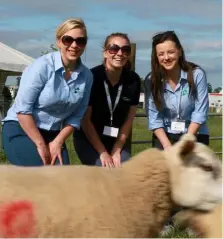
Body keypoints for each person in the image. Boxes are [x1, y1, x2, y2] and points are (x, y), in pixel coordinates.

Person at [1, 18, 93, 166]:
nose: (74, 45)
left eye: (80, 41)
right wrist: (41, 145)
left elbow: (77, 116)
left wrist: (57, 142)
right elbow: (23, 110)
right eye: (68, 39)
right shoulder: (41, 67)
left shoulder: (87, 76)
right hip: (22, 129)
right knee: (41, 175)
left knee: (63, 178)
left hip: (53, 134)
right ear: (58, 41)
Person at [73, 32, 141, 167]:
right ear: (105, 53)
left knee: (124, 170)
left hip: (117, 140)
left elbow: (129, 120)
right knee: (102, 169)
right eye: (114, 48)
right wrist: (103, 152)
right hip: (89, 139)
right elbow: (85, 121)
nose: (120, 53)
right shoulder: (91, 77)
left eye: (125, 49)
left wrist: (116, 150)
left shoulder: (134, 80)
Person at [145, 31, 209, 150]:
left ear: (179, 51)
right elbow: (154, 117)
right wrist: (167, 145)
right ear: (156, 56)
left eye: (170, 52)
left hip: (194, 135)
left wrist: (186, 142)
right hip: (165, 137)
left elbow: (200, 112)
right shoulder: (151, 80)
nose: (166, 57)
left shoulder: (197, 75)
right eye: (161, 54)